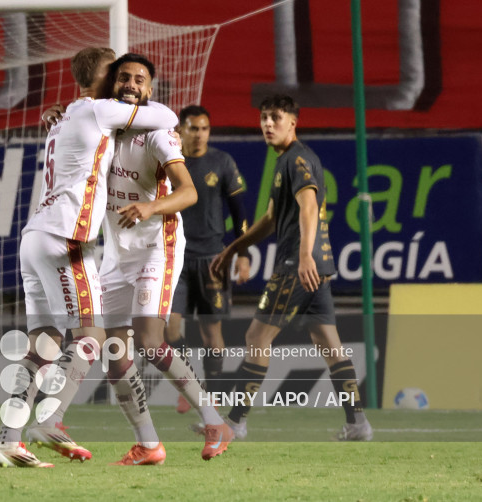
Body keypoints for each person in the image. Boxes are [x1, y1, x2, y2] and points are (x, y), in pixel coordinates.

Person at [0, 47, 179, 468]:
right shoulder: (98, 111)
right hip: (65, 240)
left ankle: (7, 438)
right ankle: (50, 420)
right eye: (118, 75)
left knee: (44, 346)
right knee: (91, 337)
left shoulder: (67, 117)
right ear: (105, 77)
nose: (124, 84)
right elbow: (166, 118)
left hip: (34, 237)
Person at [96, 54, 234, 464]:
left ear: (150, 90)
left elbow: (188, 191)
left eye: (140, 79)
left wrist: (150, 208)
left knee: (152, 342)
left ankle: (215, 422)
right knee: (115, 353)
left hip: (158, 246)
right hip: (115, 253)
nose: (131, 83)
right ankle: (149, 443)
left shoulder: (158, 131)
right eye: (124, 77)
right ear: (113, 84)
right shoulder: (100, 127)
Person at [210, 94, 373, 441]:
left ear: (293, 122)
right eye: (264, 118)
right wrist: (234, 248)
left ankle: (236, 423)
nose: (268, 124)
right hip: (315, 265)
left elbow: (309, 208)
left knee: (257, 336)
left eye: (276, 117)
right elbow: (270, 219)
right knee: (328, 342)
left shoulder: (297, 159)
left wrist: (303, 257)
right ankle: (358, 423)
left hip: (298, 264)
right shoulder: (287, 160)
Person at [164, 105, 250, 414]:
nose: (199, 134)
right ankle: (188, 385)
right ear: (181, 130)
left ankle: (210, 394)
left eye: (204, 129)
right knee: (171, 329)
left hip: (213, 258)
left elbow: (240, 211)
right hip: (175, 257)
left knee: (211, 332)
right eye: (193, 128)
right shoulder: (169, 161)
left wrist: (243, 253)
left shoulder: (222, 162)